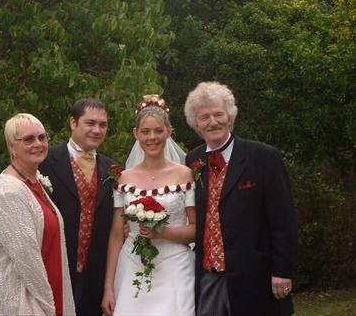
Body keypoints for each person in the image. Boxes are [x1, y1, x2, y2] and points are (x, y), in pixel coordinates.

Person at [184, 81, 298, 316]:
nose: (213, 121)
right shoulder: (192, 161)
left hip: (256, 276)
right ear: (196, 124)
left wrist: (282, 271)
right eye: (205, 117)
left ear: (230, 117)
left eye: (218, 114)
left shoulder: (264, 157)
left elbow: (283, 220)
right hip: (209, 276)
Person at [101, 95, 196, 316]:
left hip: (175, 267)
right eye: (145, 132)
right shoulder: (122, 179)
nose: (152, 137)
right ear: (136, 134)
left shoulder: (186, 175)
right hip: (131, 265)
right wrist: (108, 287)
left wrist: (162, 232)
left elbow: (195, 229)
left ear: (169, 132)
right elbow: (116, 235)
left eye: (158, 131)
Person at [0, 113, 75, 316]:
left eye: (42, 137)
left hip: (47, 289)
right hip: (22, 300)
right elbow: (27, 260)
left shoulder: (34, 182)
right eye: (28, 139)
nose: (38, 143)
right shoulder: (10, 192)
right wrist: (49, 307)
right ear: (11, 147)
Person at [39, 98, 117, 316]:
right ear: (73, 123)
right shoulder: (45, 160)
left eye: (102, 125)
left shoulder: (113, 169)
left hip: (95, 276)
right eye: (90, 123)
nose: (97, 130)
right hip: (54, 269)